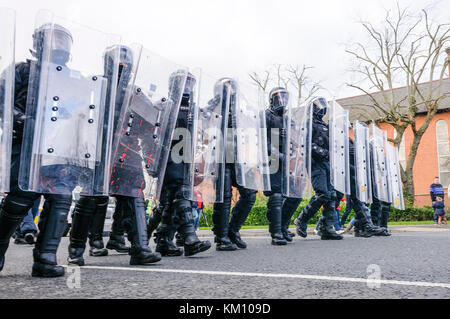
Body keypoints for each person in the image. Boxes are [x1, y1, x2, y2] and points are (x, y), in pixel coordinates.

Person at [67, 45, 161, 266]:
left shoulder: (135, 93)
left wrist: (150, 153)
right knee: (90, 197)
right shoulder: (94, 86)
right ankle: (76, 249)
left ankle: (140, 248)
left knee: (135, 195)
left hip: (126, 150)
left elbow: (149, 126)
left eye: (126, 62)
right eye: (118, 60)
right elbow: (77, 118)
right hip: (97, 148)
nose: (122, 65)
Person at [152, 71, 211, 257]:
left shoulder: (194, 110)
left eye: (190, 84)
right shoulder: (164, 105)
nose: (187, 89)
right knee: (181, 194)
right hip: (169, 159)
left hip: (185, 161)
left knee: (170, 202)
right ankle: (189, 238)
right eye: (183, 84)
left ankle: (163, 240)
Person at [211, 78, 258, 251]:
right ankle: (221, 236)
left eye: (232, 88)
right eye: (226, 88)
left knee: (250, 193)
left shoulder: (240, 110)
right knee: (224, 196)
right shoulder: (213, 106)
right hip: (220, 156)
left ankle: (233, 230)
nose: (230, 91)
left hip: (238, 157)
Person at [294, 97, 343, 240]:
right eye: (318, 105)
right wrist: (323, 153)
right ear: (312, 108)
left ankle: (327, 228)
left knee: (332, 195)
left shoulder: (325, 125)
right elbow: (306, 143)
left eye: (323, 105)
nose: (321, 108)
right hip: (315, 162)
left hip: (327, 163)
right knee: (323, 194)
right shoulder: (308, 123)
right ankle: (302, 219)